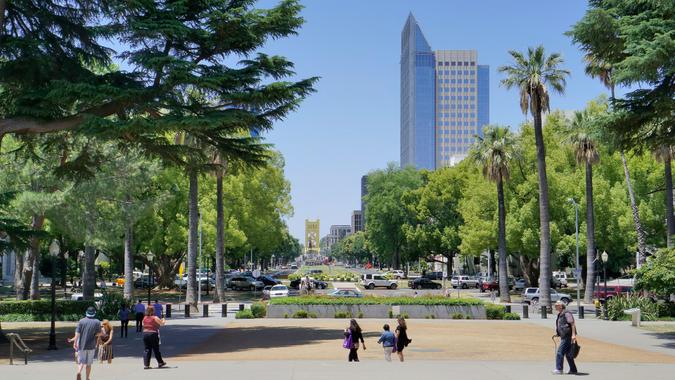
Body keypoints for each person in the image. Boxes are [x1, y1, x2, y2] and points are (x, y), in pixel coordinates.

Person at [73, 306, 101, 380]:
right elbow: (98, 333)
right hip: (91, 346)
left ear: (86, 313)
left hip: (82, 345)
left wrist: (75, 342)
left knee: (81, 362)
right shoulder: (97, 322)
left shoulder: (81, 321)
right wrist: (95, 334)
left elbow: (77, 333)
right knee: (88, 364)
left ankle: (79, 372)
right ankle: (87, 378)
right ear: (94, 313)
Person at [553, 300, 578, 375]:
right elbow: (562, 325)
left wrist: (573, 335)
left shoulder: (567, 313)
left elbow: (572, 324)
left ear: (561, 306)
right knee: (568, 354)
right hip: (564, 335)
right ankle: (573, 370)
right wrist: (558, 333)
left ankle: (559, 369)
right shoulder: (560, 313)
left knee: (560, 352)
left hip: (567, 336)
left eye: (556, 305)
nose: (555, 306)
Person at [142, 305, 167, 369]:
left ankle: (146, 364)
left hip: (145, 333)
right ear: (153, 311)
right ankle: (160, 362)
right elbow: (162, 324)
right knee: (156, 349)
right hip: (153, 333)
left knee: (147, 349)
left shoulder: (144, 318)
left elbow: (143, 324)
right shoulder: (155, 317)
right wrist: (163, 320)